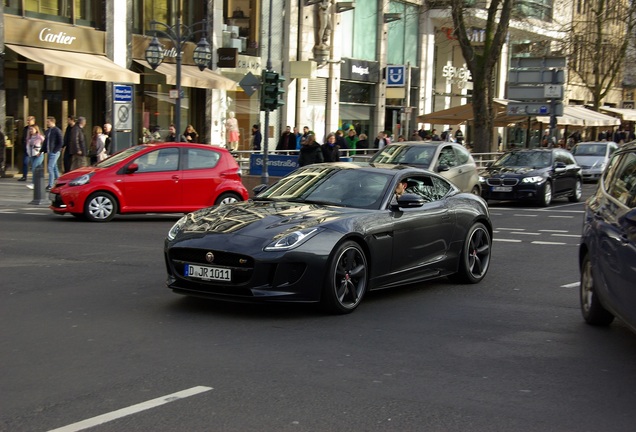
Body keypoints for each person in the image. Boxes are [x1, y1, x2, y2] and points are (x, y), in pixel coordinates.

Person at [42, 116, 63, 191]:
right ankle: (60, 182)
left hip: (54, 152)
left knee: (50, 167)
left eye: (48, 121)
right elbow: (45, 142)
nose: (47, 123)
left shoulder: (57, 130)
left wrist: (55, 150)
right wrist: (42, 150)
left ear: (52, 121)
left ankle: (50, 185)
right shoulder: (48, 131)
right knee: (54, 167)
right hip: (50, 151)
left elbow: (61, 142)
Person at [25, 124, 45, 189]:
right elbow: (27, 146)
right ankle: (39, 183)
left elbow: (45, 144)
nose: (31, 130)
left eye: (32, 129)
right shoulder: (29, 137)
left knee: (34, 168)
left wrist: (41, 151)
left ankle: (33, 183)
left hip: (38, 155)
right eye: (30, 129)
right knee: (36, 169)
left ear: (36, 129)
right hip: (31, 155)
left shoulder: (39, 137)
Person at [18, 115, 36, 181]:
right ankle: (24, 176)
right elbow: (23, 138)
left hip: (34, 149)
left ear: (33, 120)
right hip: (27, 148)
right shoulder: (25, 128)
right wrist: (23, 145)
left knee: (34, 164)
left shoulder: (36, 128)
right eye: (27, 120)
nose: (27, 121)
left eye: (29, 120)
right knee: (25, 163)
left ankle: (36, 177)